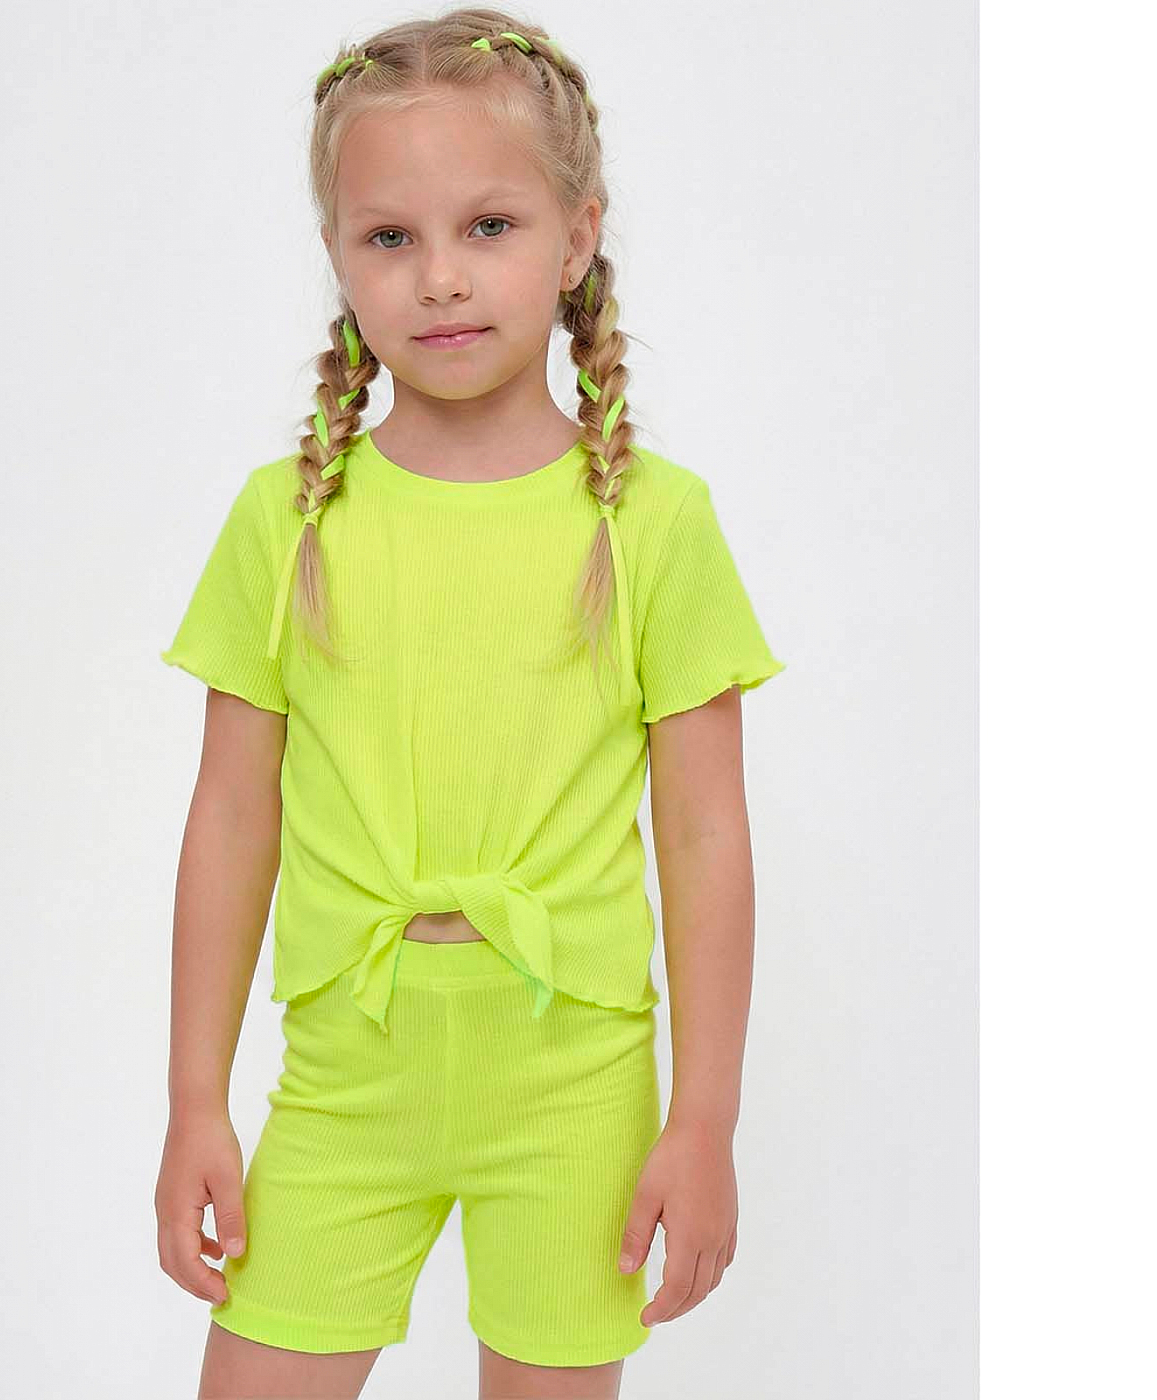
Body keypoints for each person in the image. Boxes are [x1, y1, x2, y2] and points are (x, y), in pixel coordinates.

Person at [154, 9, 786, 1399]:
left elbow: (706, 834)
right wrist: (195, 1097)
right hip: (347, 1075)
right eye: (391, 236)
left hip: (575, 1086)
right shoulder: (284, 520)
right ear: (339, 256)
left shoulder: (655, 524)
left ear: (576, 238)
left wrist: (706, 1119)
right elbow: (230, 815)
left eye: (489, 226)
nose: (440, 277)